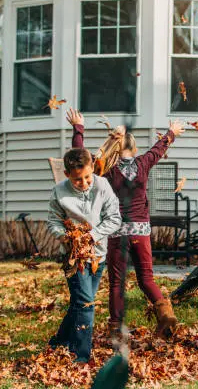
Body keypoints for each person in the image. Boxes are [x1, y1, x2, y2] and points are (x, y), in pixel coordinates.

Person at [66, 108, 185, 338]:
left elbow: (80, 157)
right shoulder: (143, 163)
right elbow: (159, 149)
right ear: (135, 149)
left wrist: (78, 128)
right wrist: (172, 132)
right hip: (141, 232)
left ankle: (116, 328)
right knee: (146, 278)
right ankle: (165, 315)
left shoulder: (108, 170)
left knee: (117, 283)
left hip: (117, 233)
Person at [47, 147, 122, 362]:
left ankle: (59, 341)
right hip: (73, 257)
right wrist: (66, 237)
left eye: (87, 176)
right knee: (85, 303)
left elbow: (114, 218)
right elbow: (53, 221)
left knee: (80, 302)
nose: (84, 182)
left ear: (92, 169)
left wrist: (92, 235)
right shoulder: (59, 191)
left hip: (98, 254)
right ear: (68, 175)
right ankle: (81, 355)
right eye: (78, 179)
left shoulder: (102, 185)